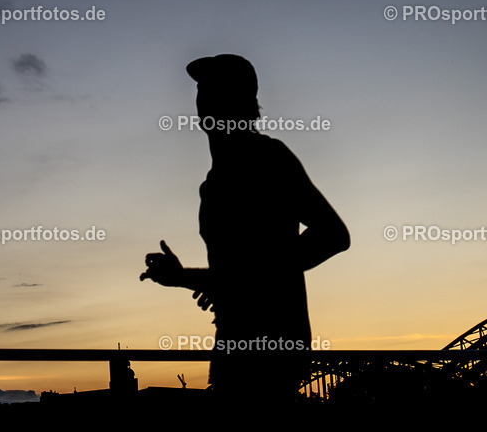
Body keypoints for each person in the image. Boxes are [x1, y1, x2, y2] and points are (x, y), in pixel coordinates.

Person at [141, 54, 349, 404]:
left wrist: (245, 281)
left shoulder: (268, 158)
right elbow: (236, 272)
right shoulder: (212, 183)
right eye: (202, 90)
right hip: (232, 341)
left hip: (271, 349)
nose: (204, 99)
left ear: (240, 102)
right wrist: (192, 279)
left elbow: (333, 235)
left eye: (216, 91)